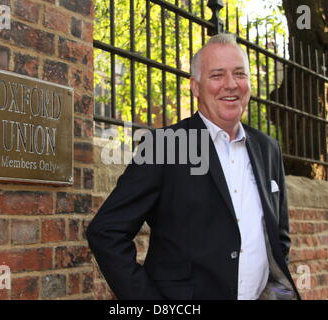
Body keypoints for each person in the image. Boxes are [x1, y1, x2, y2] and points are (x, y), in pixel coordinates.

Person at [87, 33, 300, 300]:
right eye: (217, 75)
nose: (231, 85)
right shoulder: (164, 146)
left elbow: (279, 239)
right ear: (196, 87)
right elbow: (105, 232)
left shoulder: (268, 148)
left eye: (239, 74)